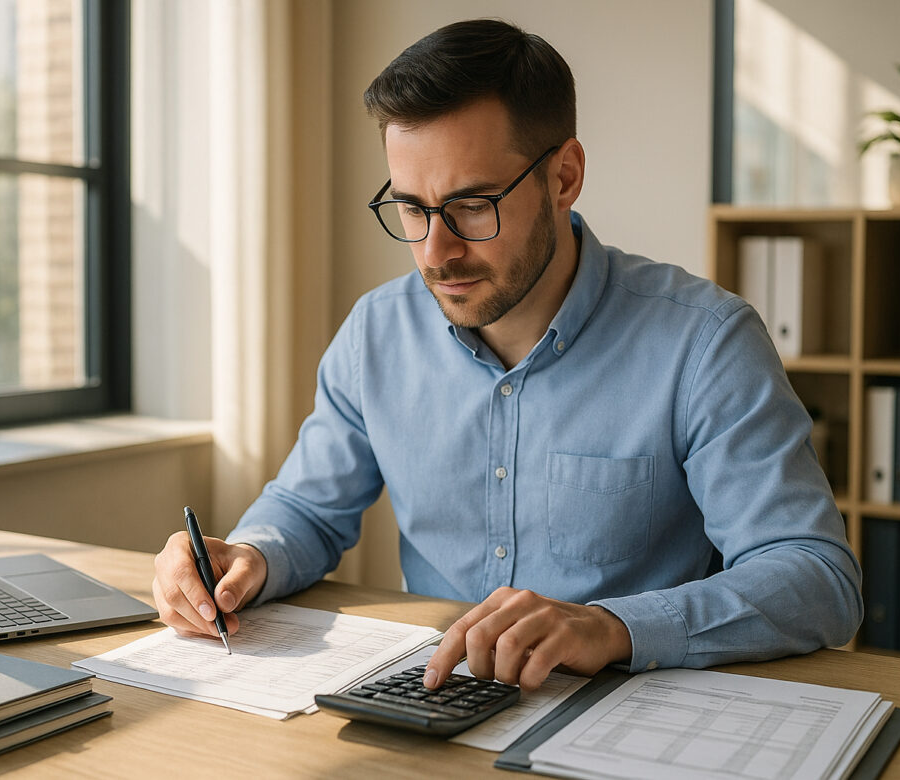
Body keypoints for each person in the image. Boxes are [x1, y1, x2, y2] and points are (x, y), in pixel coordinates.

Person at [151, 18, 861, 692]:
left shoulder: (704, 343)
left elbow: (817, 577)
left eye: (471, 205)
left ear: (564, 177)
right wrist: (250, 555)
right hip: (434, 704)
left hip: (629, 721)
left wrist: (612, 626)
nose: (436, 251)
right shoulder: (377, 334)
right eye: (412, 209)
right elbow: (307, 509)